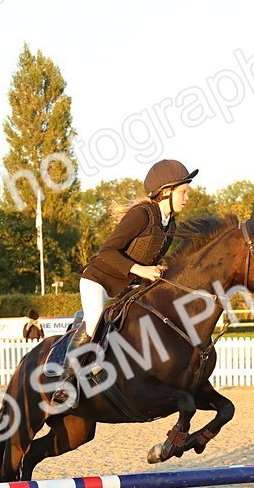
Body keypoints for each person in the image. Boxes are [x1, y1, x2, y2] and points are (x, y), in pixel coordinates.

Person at [53, 159, 197, 402]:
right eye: (183, 192)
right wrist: (141, 270)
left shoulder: (169, 223)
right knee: (95, 320)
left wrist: (154, 269)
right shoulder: (141, 215)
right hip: (98, 280)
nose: (187, 198)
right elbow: (107, 251)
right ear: (166, 192)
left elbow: (147, 257)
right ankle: (64, 382)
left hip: (126, 286)